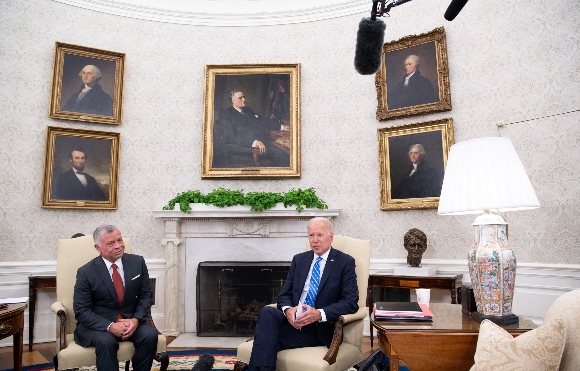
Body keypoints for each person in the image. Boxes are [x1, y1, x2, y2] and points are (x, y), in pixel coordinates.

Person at [247, 217, 359, 371]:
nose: (315, 240)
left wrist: (319, 314)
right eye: (311, 235)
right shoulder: (299, 260)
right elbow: (283, 295)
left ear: (331, 237)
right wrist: (288, 310)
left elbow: (351, 302)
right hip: (293, 322)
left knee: (265, 339)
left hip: (318, 329)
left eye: (319, 235)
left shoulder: (345, 262)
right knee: (267, 312)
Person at [73, 225, 158, 371]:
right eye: (111, 243)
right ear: (98, 248)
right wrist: (110, 326)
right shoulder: (86, 272)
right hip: (99, 326)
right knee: (106, 342)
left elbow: (145, 295)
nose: (118, 246)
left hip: (130, 320)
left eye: (120, 240)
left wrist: (135, 320)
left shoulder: (137, 263)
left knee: (149, 335)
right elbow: (81, 310)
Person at [219, 90, 290, 167]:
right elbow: (230, 137)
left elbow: (263, 121)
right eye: (240, 98)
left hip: (263, 141)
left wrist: (281, 127)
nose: (244, 99)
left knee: (285, 150)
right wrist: (255, 142)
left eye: (244, 97)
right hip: (248, 147)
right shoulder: (226, 115)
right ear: (233, 100)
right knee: (282, 155)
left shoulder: (248, 110)